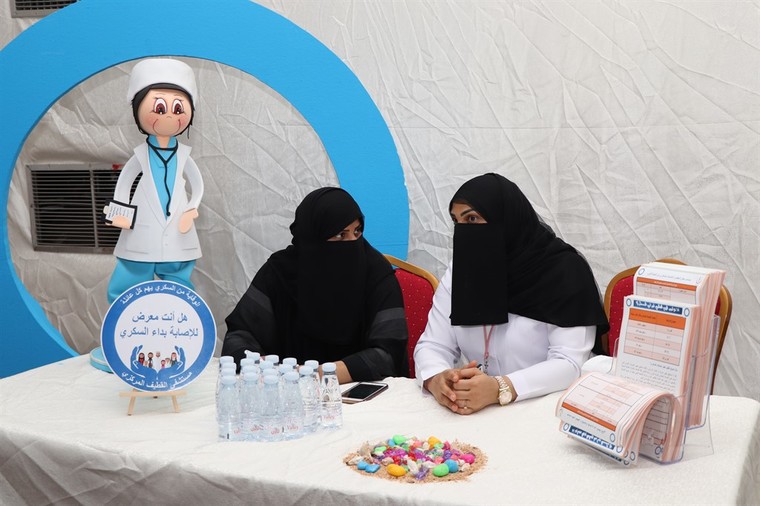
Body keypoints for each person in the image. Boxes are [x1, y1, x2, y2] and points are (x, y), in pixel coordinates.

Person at [414, 173, 609, 415]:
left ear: (505, 219)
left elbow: (570, 363)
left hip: (548, 407)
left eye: (472, 219)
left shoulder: (564, 271)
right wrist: (437, 379)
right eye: (457, 222)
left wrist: (501, 388)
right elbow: (433, 344)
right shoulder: (463, 269)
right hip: (476, 408)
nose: (463, 232)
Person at [222, 187, 409, 383]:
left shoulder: (375, 271)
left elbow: (388, 353)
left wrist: (316, 374)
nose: (353, 243)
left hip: (361, 391)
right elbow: (239, 335)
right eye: (341, 235)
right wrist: (261, 366)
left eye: (357, 232)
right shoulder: (281, 272)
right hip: (288, 391)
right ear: (312, 239)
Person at [105, 58, 204, 303]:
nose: (169, 115)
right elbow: (124, 183)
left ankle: (180, 314)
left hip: (178, 225)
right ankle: (123, 316)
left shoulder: (184, 155)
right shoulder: (140, 155)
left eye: (178, 109)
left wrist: (192, 209)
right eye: (160, 108)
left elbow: (197, 184)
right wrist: (121, 214)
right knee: (132, 274)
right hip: (142, 227)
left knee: (178, 276)